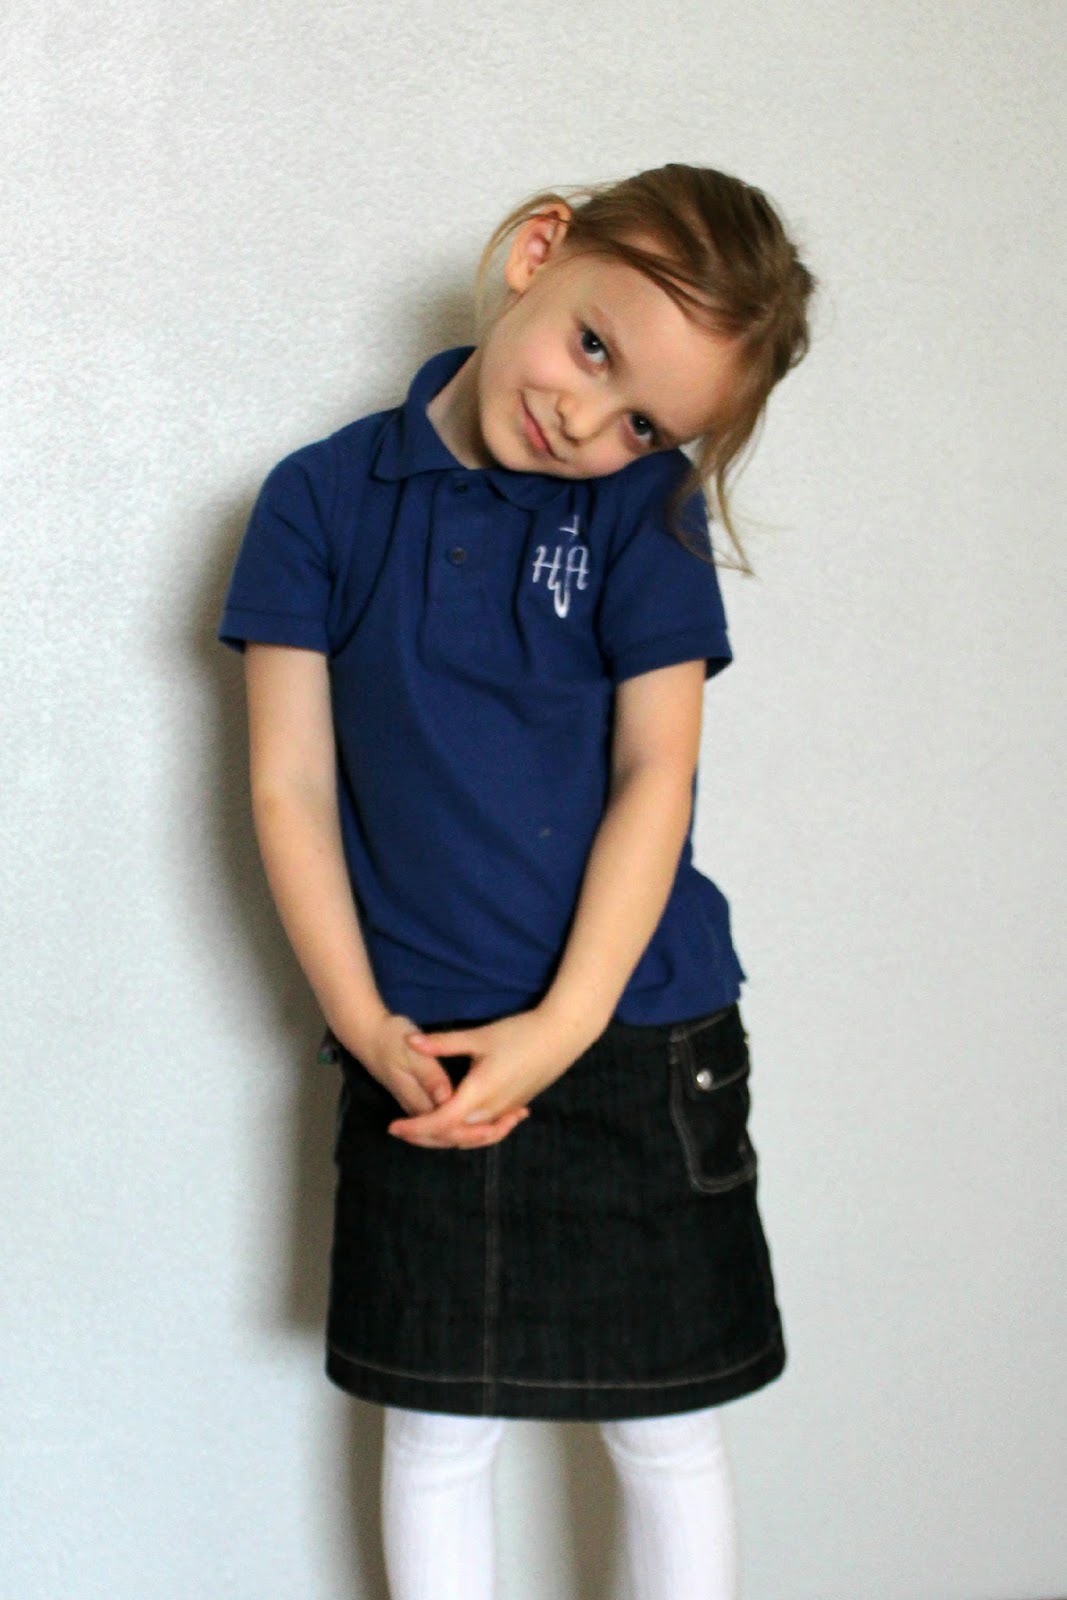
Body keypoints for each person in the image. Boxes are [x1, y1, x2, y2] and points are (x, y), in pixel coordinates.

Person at [217, 162, 816, 1600]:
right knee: (437, 1427)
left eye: (646, 423)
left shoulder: (644, 514)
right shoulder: (316, 501)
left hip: (638, 1030)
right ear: (541, 252)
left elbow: (655, 776)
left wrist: (564, 1025)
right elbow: (288, 786)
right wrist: (361, 1023)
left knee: (667, 1429)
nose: (588, 423)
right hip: (420, 1042)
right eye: (594, 349)